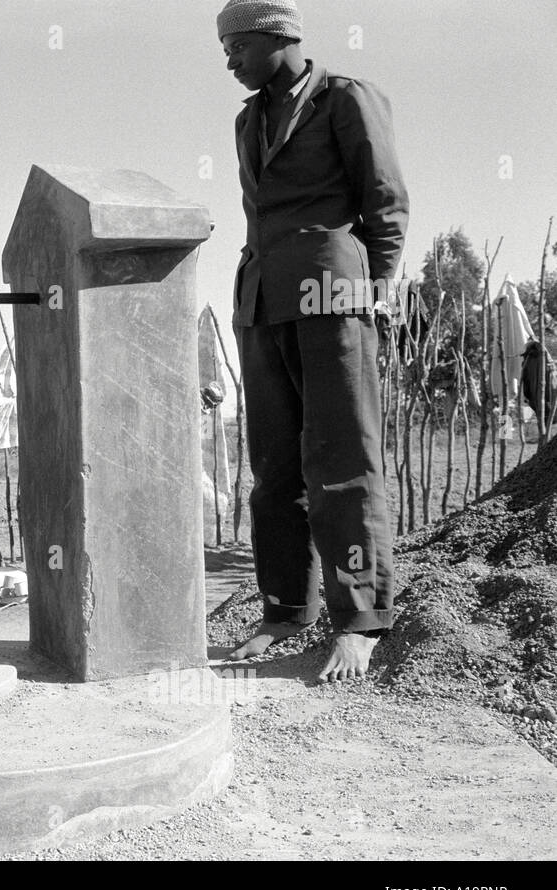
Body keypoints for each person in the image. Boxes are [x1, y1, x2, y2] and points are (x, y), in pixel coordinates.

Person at [218, 0, 409, 681]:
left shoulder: (345, 99)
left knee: (342, 460)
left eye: (235, 46)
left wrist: (374, 290)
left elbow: (383, 201)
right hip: (263, 302)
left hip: (334, 296)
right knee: (272, 471)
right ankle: (282, 613)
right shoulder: (248, 119)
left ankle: (361, 621)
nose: (229, 60)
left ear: (276, 37)